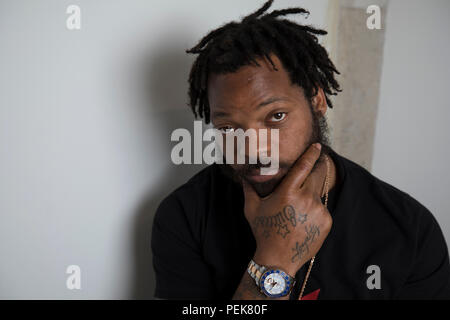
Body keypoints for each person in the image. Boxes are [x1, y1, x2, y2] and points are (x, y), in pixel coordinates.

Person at [151, 0, 450, 300]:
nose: (254, 149)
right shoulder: (186, 217)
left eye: (275, 116)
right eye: (229, 129)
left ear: (316, 99)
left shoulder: (408, 231)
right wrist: (274, 262)